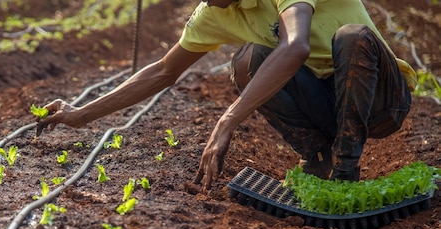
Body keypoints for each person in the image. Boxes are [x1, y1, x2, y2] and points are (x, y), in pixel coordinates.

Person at [37, 0, 417, 191]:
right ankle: (319, 157)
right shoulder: (214, 10)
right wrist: (81, 114)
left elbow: (296, 46)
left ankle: (346, 169)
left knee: (350, 37)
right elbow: (164, 70)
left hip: (381, 103)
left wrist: (228, 119)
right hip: (328, 103)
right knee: (248, 60)